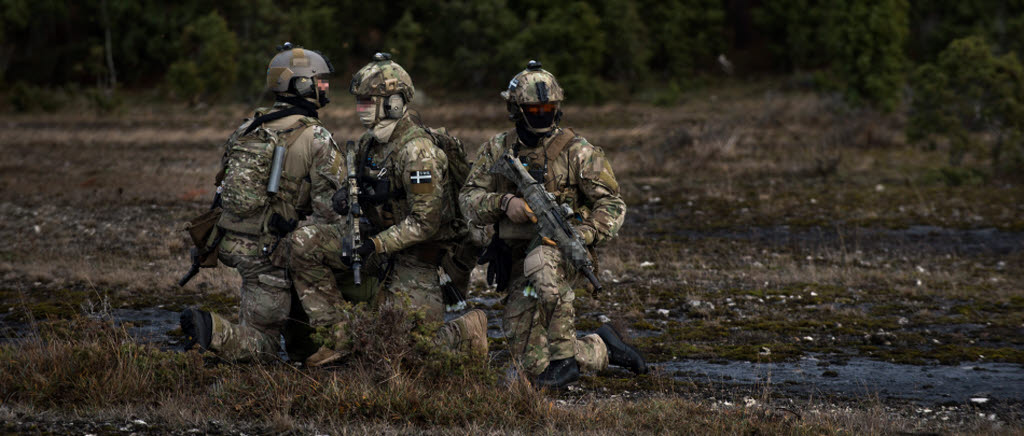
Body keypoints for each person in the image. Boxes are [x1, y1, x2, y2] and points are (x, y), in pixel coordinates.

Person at [289, 53, 487, 366]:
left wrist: (375, 244)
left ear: (394, 103)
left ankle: (463, 332)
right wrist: (346, 198)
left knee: (397, 351)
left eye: (369, 101)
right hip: (379, 248)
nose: (361, 108)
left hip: (417, 258)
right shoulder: (370, 143)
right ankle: (338, 337)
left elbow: (425, 223)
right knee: (304, 242)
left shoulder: (418, 152)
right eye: (359, 101)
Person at [459, 61, 647, 388]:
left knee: (542, 262)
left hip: (562, 254)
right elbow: (468, 198)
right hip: (516, 260)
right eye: (534, 108)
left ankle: (564, 362)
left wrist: (583, 232)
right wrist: (505, 203)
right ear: (516, 110)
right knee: (529, 361)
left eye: (549, 107)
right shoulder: (497, 149)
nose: (543, 114)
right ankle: (601, 346)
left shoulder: (578, 151)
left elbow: (613, 204)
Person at [179, 43, 343, 362]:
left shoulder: (249, 126)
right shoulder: (316, 137)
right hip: (268, 250)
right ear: (301, 84)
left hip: (234, 243)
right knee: (263, 345)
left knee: (262, 313)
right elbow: (330, 213)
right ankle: (213, 331)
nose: (325, 85)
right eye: (319, 79)